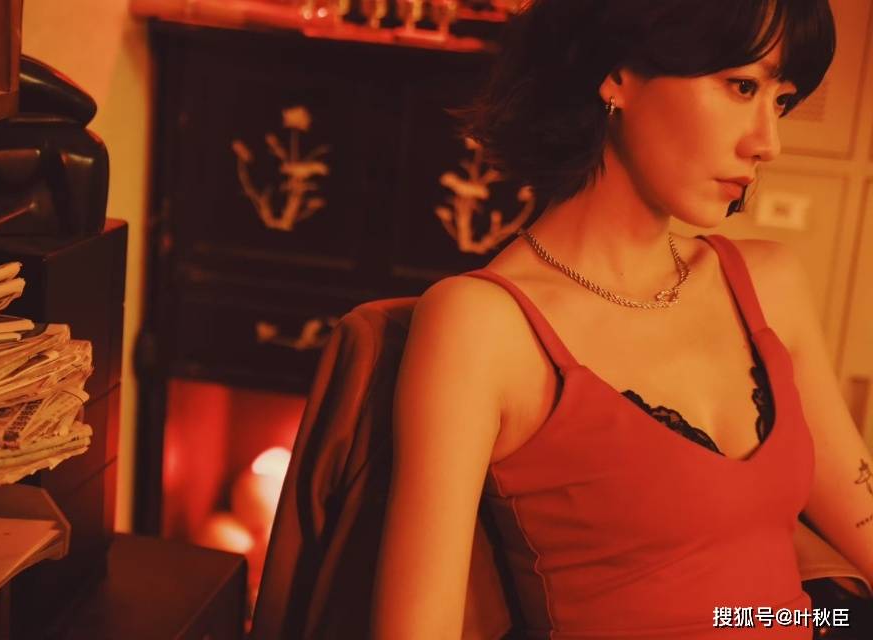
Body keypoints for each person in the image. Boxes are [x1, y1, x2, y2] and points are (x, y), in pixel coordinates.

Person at [373, 0, 873, 637]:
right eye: (742, 86)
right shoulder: (483, 326)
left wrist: (830, 620)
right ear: (617, 74)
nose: (767, 143)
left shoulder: (767, 283)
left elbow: (856, 531)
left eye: (782, 101)